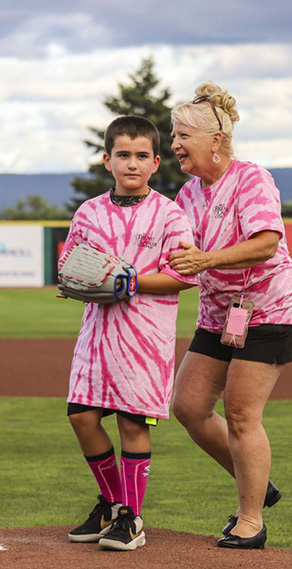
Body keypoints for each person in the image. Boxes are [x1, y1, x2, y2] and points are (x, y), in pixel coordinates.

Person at [169, 82, 292, 550]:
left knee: (242, 413)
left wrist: (206, 260)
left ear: (216, 140)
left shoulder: (252, 178)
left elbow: (266, 242)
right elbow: (176, 256)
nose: (174, 145)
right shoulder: (188, 194)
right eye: (173, 135)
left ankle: (251, 520)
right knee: (187, 406)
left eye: (183, 134)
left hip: (270, 308)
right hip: (218, 313)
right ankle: (257, 480)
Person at [60, 115, 198, 551]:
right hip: (97, 333)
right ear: (107, 160)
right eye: (123, 155)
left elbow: (183, 276)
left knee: (131, 422)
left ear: (156, 162)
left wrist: (126, 280)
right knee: (81, 416)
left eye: (142, 156)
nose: (132, 163)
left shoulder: (169, 213)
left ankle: (131, 520)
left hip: (144, 335)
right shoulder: (89, 212)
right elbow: (73, 269)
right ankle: (111, 505)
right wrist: (77, 283)